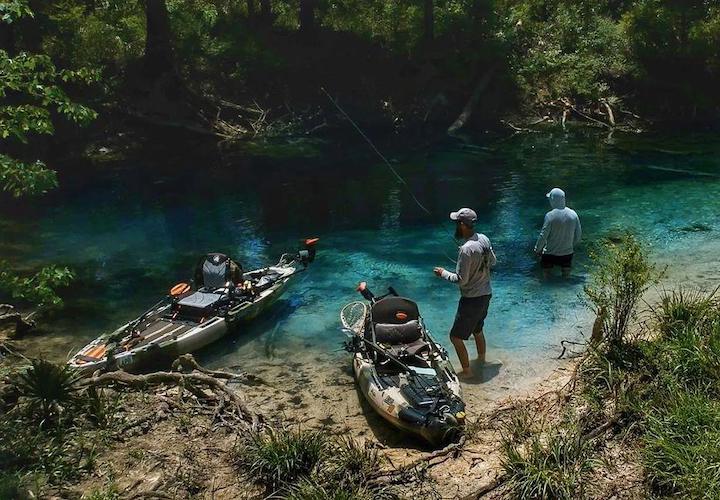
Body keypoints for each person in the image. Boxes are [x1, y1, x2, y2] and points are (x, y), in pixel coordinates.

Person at [434, 208, 496, 378]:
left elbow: (462, 280)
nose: (455, 226)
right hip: (486, 294)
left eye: (456, 223)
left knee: (455, 337)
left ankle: (467, 372)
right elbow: (493, 261)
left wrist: (443, 273)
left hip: (472, 300)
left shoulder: (466, 250)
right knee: (477, 330)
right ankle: (481, 361)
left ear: (462, 224)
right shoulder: (483, 239)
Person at [534, 188, 581, 278]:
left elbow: (543, 235)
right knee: (566, 279)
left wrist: (537, 249)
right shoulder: (573, 214)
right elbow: (578, 236)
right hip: (567, 254)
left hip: (549, 255)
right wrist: (570, 246)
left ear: (553, 200)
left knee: (546, 279)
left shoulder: (550, 216)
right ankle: (566, 291)